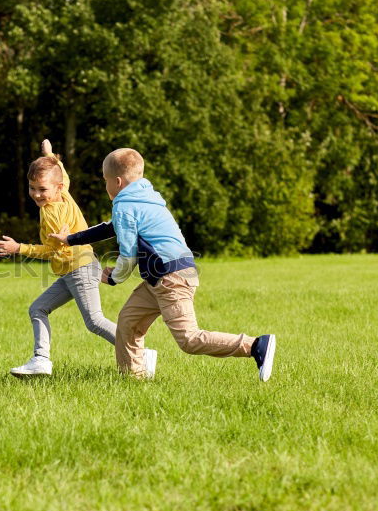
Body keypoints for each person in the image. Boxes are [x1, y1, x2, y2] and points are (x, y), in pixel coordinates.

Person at [49, 147, 276, 381]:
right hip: (162, 277)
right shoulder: (145, 197)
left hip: (170, 277)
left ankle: (256, 345)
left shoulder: (125, 205)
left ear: (117, 181)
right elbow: (110, 228)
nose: (105, 186)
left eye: (105, 180)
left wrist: (114, 277)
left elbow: (128, 254)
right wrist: (71, 239)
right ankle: (132, 378)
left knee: (189, 339)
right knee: (128, 322)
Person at [0, 141, 157, 377]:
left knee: (94, 321)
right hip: (73, 270)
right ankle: (41, 359)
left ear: (56, 188)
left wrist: (18, 248)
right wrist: (50, 156)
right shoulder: (64, 193)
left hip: (80, 268)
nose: (37, 194)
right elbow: (63, 174)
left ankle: (142, 353)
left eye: (42, 189)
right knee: (38, 308)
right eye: (32, 188)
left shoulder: (51, 214)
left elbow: (50, 250)